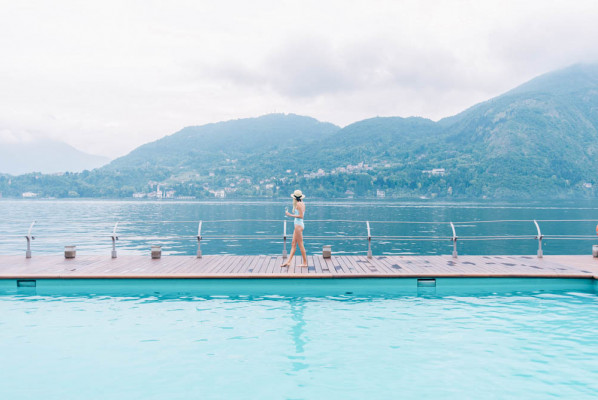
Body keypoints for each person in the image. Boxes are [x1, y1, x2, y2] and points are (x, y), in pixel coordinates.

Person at [282, 189, 308, 267]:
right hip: (298, 225)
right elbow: (299, 213)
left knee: (300, 245)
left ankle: (305, 263)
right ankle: (288, 262)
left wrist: (289, 215)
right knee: (293, 244)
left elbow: (301, 216)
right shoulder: (301, 203)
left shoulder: (299, 204)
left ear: (294, 197)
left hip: (298, 226)